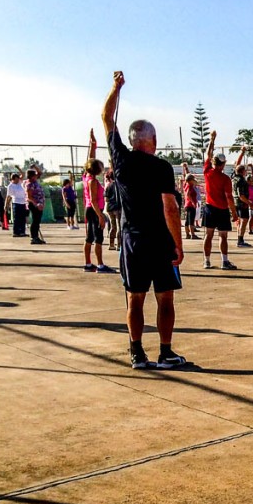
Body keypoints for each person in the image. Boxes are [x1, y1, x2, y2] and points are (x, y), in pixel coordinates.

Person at [101, 70, 188, 369]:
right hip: (160, 240)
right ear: (153, 140)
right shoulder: (162, 167)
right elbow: (170, 208)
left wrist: (116, 88)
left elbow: (106, 117)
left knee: (134, 298)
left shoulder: (121, 160)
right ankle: (166, 352)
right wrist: (178, 244)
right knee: (165, 299)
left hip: (132, 240)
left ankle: (137, 353)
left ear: (131, 140)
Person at [201, 130, 239, 269]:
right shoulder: (225, 179)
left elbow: (208, 153)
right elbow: (229, 197)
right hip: (222, 209)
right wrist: (234, 213)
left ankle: (207, 261)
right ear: (223, 164)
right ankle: (224, 261)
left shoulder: (207, 172)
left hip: (209, 208)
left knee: (208, 235)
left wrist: (212, 140)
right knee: (223, 236)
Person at [232, 147, 252, 247]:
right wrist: (249, 203)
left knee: (239, 221)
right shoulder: (241, 180)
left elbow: (237, 164)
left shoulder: (234, 177)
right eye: (245, 170)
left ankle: (239, 238)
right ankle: (240, 240)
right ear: (243, 171)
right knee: (244, 220)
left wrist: (242, 152)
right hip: (242, 203)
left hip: (235, 202)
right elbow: (241, 195)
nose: (246, 172)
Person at [25, 167, 46, 244]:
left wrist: (35, 167)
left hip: (39, 204)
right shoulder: (30, 184)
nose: (36, 176)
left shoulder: (35, 182)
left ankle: (36, 236)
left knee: (37, 221)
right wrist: (37, 204)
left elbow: (39, 173)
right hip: (34, 204)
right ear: (31, 176)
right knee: (35, 221)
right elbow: (29, 196)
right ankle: (34, 237)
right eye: (34, 175)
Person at [5, 171, 29, 237]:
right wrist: (6, 205)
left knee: (22, 218)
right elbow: (8, 196)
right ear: (13, 179)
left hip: (23, 203)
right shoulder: (10, 186)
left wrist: (18, 168)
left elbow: (23, 174)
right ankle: (16, 232)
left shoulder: (19, 183)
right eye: (16, 179)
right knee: (17, 218)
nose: (18, 180)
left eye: (18, 179)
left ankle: (22, 232)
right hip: (16, 203)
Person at [104, 167, 122, 250]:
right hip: (118, 208)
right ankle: (119, 245)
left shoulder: (109, 186)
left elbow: (106, 199)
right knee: (119, 227)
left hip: (110, 208)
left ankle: (111, 244)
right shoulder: (120, 186)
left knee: (112, 226)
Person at [180, 162, 199, 239]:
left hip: (187, 204)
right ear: (190, 180)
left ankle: (187, 234)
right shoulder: (190, 186)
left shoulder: (186, 185)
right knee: (191, 220)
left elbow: (186, 176)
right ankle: (192, 234)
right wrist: (193, 202)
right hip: (191, 205)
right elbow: (188, 194)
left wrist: (185, 168)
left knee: (187, 220)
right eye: (193, 180)